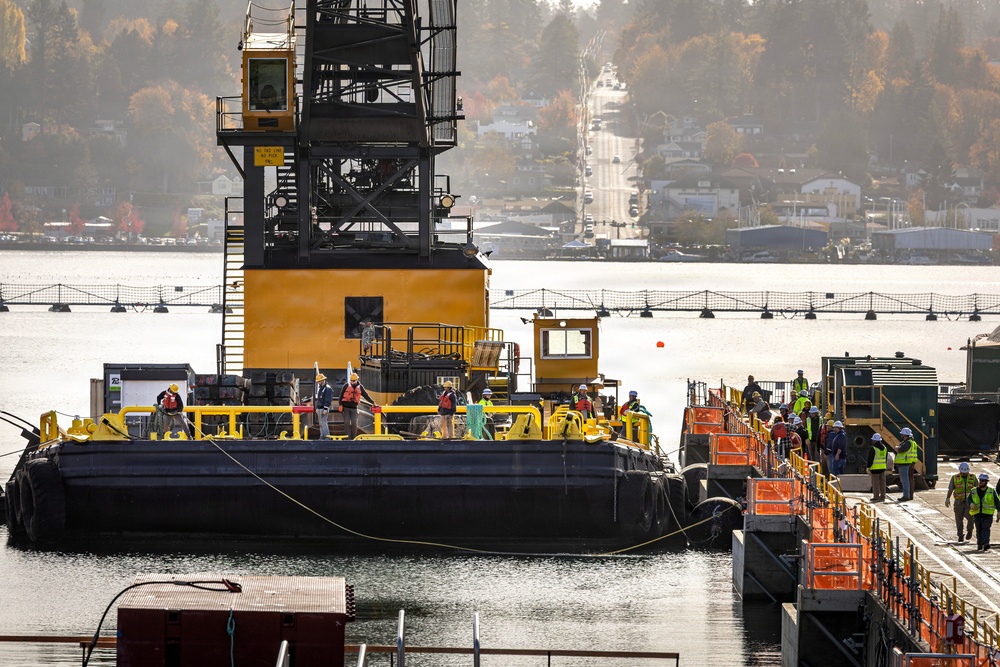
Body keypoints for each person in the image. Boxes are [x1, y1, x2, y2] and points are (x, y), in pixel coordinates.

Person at [945, 462, 976, 543]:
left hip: (970, 502)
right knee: (959, 520)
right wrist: (947, 498)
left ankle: (970, 530)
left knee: (971, 518)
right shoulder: (955, 478)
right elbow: (951, 488)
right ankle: (960, 535)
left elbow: (978, 488)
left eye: (966, 472)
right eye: (963, 472)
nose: (964, 474)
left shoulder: (973, 477)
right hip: (958, 502)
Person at [339, 372, 376, 439]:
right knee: (346, 423)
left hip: (354, 408)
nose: (352, 382)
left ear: (357, 380)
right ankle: (348, 438)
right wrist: (340, 405)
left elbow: (366, 395)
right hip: (346, 408)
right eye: (351, 380)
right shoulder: (346, 386)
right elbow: (341, 396)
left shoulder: (360, 387)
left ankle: (354, 438)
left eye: (354, 380)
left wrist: (372, 402)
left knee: (354, 423)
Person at [968, 472, 998, 551]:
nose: (981, 482)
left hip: (988, 514)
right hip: (977, 514)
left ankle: (986, 543)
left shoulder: (991, 491)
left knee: (986, 529)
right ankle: (979, 544)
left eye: (983, 481)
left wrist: (999, 511)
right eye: (980, 480)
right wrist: (971, 503)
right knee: (979, 530)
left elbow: (997, 501)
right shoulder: (974, 490)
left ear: (986, 482)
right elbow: (969, 499)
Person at [894, 427, 918, 501]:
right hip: (909, 462)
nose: (901, 436)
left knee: (904, 480)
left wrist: (897, 448)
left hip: (904, 462)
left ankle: (906, 495)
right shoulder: (911, 442)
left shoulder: (908, 443)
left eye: (902, 435)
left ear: (905, 435)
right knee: (908, 479)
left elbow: (902, 450)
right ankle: (908, 495)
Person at [866, 433, 891, 503]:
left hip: (875, 468)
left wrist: (868, 467)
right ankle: (883, 496)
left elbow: (870, 459)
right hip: (883, 468)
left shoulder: (873, 448)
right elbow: (886, 458)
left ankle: (876, 496)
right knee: (882, 483)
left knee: (875, 483)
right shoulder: (885, 448)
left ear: (874, 440)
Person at [312, 373, 334, 438]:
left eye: (319, 381)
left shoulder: (328, 389)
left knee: (323, 423)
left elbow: (328, 400)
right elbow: (319, 399)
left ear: (322, 381)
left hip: (323, 408)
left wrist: (325, 408)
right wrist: (317, 408)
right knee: (321, 423)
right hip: (320, 408)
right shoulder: (321, 389)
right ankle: (322, 436)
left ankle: (327, 437)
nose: (318, 383)